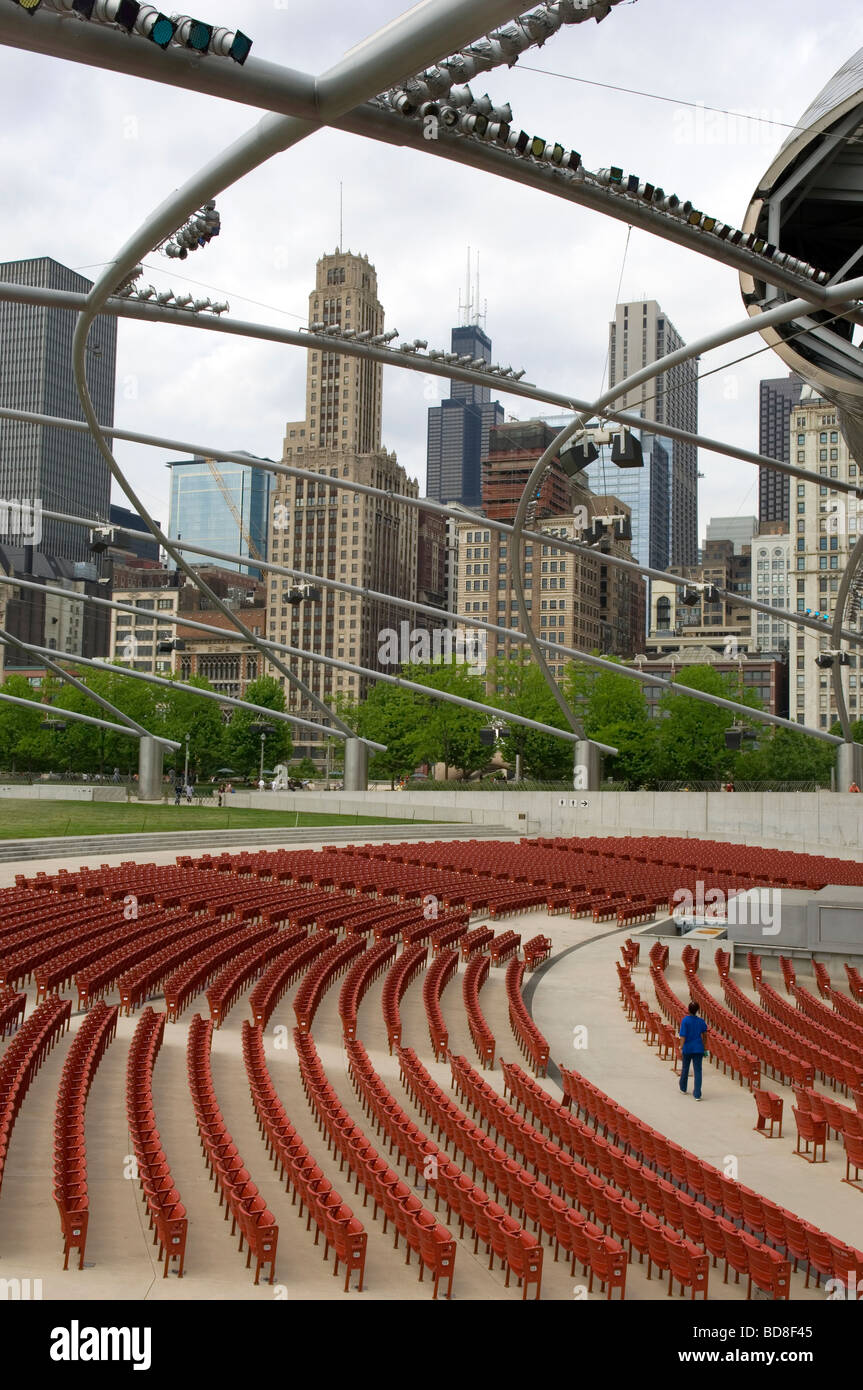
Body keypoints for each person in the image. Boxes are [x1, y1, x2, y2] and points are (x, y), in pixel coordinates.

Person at [678, 1001, 708, 1101]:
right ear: (697, 1010)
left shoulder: (685, 1020)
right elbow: (705, 1035)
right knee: (698, 1071)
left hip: (687, 1048)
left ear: (688, 1009)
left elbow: (683, 1036)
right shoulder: (701, 1021)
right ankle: (697, 1094)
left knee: (685, 1068)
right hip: (698, 1048)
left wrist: (681, 1047)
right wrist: (704, 1046)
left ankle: (683, 1088)